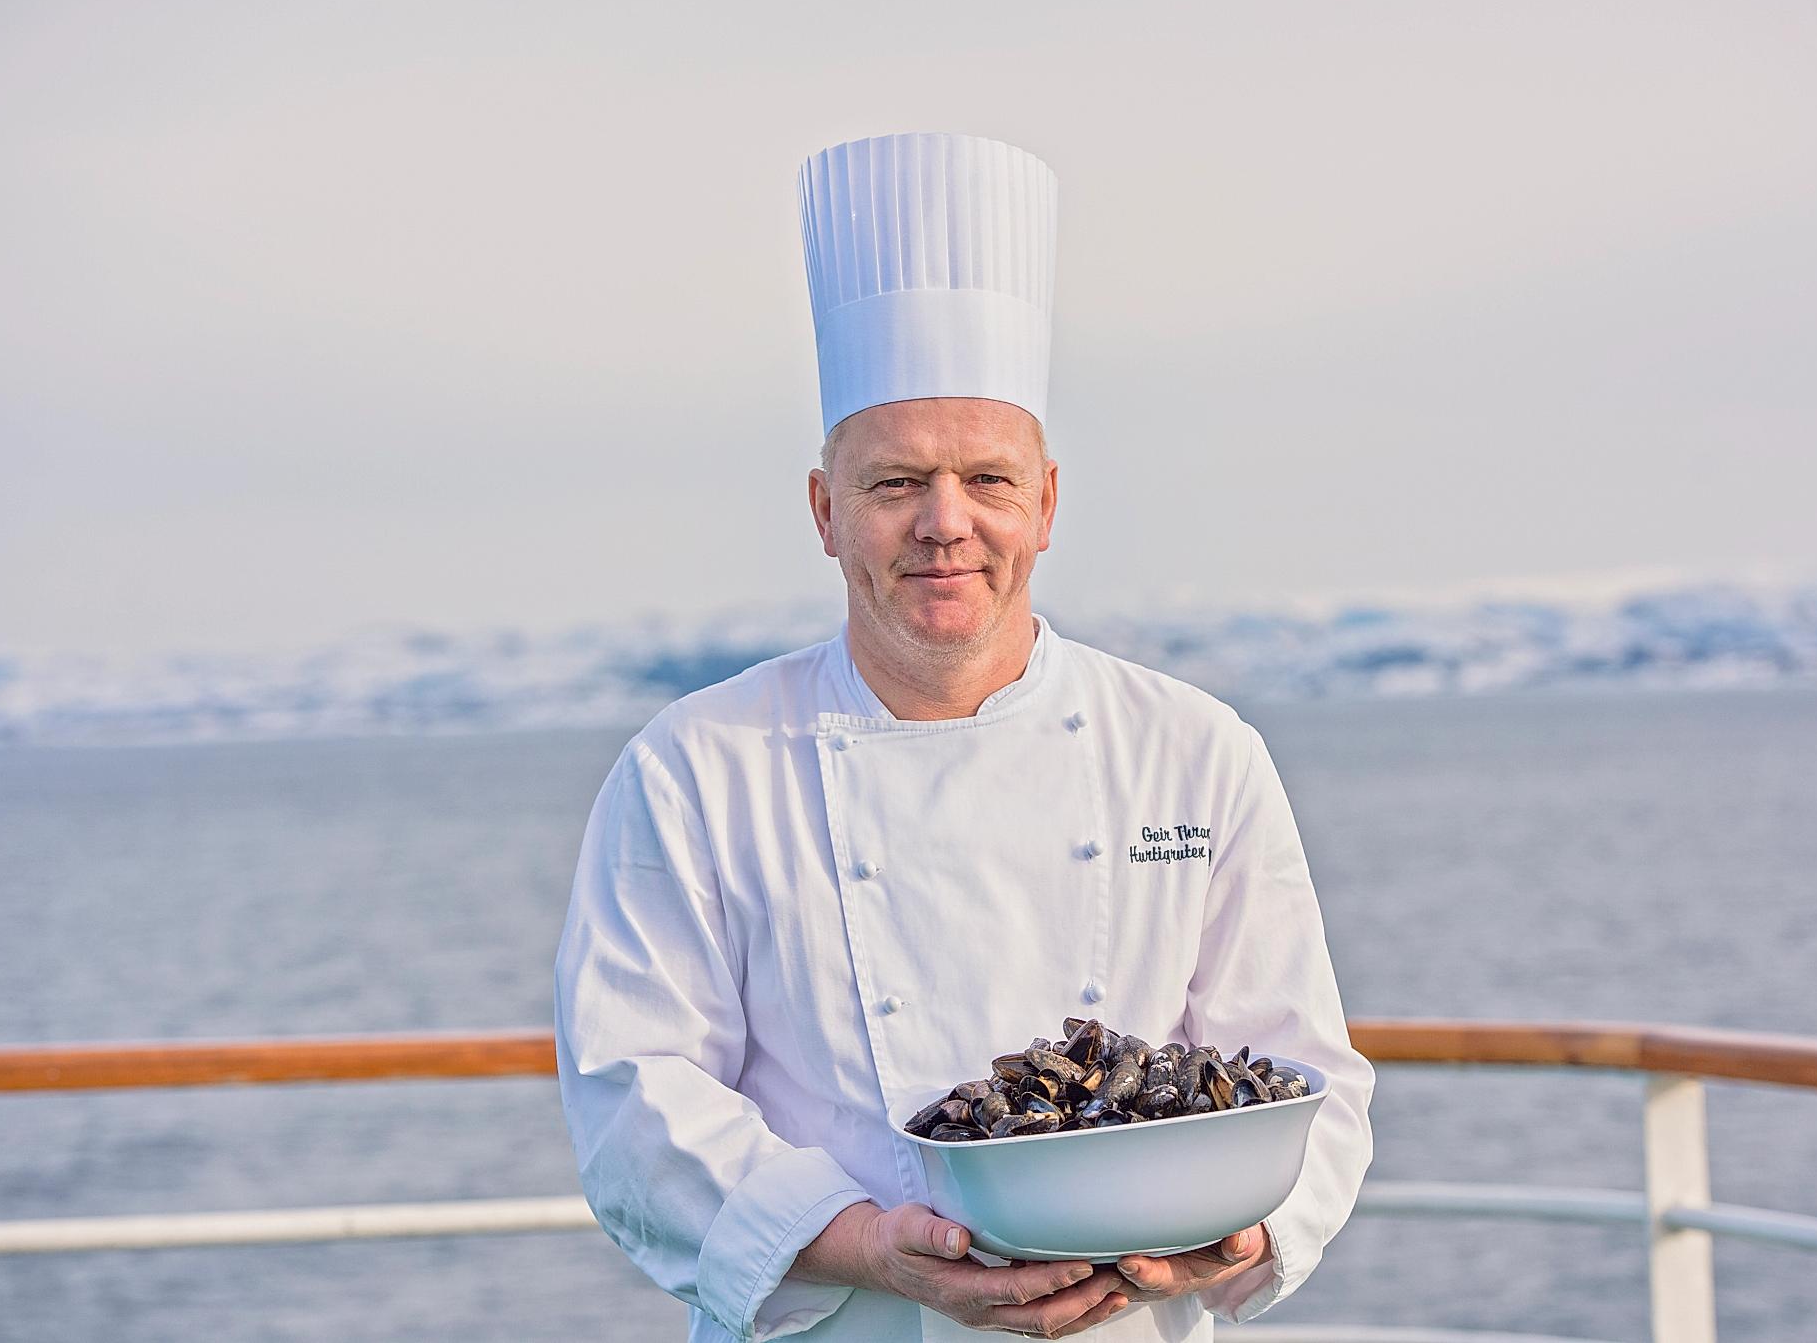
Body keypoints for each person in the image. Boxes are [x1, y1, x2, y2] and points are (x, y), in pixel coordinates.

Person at [554, 131, 1374, 1342]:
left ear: (1044, 503)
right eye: (895, 483)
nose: (945, 524)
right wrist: (867, 1246)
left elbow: (1305, 1074)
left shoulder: (1195, 750)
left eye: (987, 480)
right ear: (825, 510)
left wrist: (1234, 1233)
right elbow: (636, 1100)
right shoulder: (694, 767)